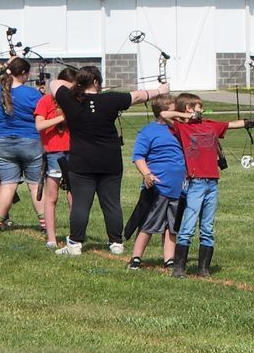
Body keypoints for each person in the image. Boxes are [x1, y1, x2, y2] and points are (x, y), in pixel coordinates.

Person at [50, 66, 169, 257]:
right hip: (110, 160)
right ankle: (116, 242)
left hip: (82, 160)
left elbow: (54, 83)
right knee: (112, 202)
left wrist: (77, 86)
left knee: (80, 203)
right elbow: (137, 96)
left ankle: (75, 244)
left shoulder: (70, 99)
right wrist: (160, 91)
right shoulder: (111, 99)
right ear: (97, 82)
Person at [161, 92, 254, 279]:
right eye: (199, 107)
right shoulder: (181, 128)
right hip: (195, 183)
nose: (202, 109)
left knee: (207, 227)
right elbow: (165, 115)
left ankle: (203, 269)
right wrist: (190, 117)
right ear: (189, 108)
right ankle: (179, 269)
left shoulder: (210, 125)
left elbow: (234, 124)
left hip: (212, 182)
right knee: (188, 226)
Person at [127, 93, 186, 271]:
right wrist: (147, 174)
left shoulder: (178, 129)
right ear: (163, 111)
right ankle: (136, 257)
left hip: (179, 187)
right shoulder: (149, 131)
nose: (177, 111)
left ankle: (169, 259)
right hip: (158, 186)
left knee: (172, 226)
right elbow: (138, 156)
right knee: (148, 223)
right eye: (173, 108)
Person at [0, 57, 45, 232]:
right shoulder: (32, 94)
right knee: (35, 185)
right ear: (24, 73)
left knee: (8, 185)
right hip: (30, 141)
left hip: (3, 142)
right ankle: (44, 224)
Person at [34, 67, 77, 248]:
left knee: (74, 196)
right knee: (52, 196)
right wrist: (61, 118)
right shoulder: (46, 101)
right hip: (54, 153)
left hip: (74, 152)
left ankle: (75, 235)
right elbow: (40, 125)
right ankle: (51, 237)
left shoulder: (75, 101)